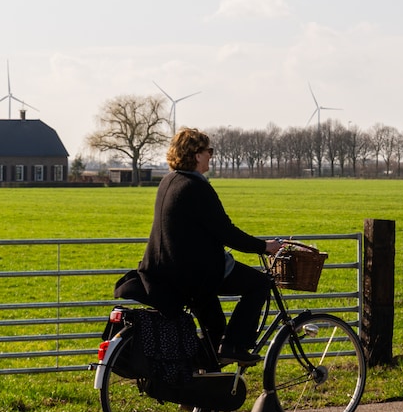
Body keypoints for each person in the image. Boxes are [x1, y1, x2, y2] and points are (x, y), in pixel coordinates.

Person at [121, 127, 283, 366]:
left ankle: (202, 391)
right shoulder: (196, 187)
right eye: (209, 151)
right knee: (259, 284)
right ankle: (231, 347)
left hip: (165, 271)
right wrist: (264, 246)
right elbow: (226, 231)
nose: (211, 155)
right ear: (197, 155)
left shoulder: (169, 181)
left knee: (214, 329)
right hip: (193, 275)